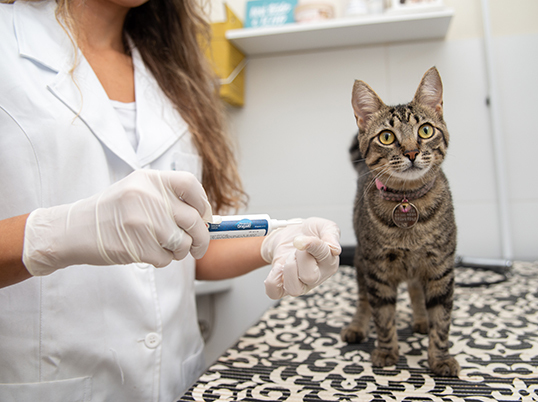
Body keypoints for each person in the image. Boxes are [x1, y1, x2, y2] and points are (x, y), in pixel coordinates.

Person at [0, 0, 341, 401]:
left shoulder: (166, 69)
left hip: (176, 381)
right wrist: (54, 234)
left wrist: (279, 239)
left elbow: (192, 246)